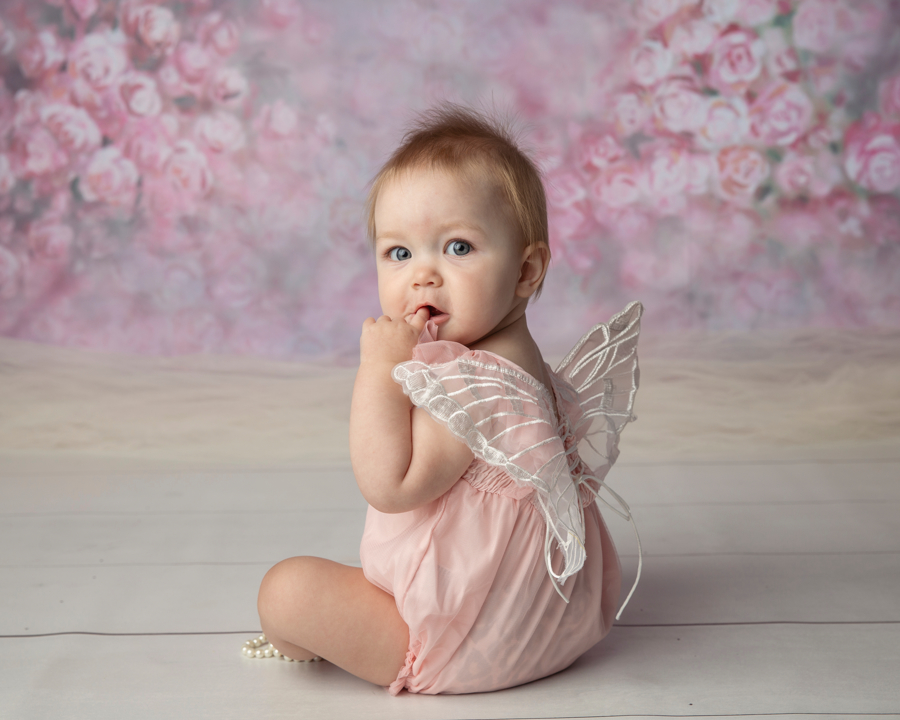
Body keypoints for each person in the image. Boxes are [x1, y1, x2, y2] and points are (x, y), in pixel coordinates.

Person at [250, 104, 642, 695]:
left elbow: (392, 484)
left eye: (457, 248)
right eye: (399, 253)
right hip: (550, 620)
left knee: (285, 592)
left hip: (471, 636)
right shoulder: (517, 356)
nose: (422, 276)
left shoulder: (477, 380)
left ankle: (380, 643)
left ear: (526, 269)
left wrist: (378, 370)